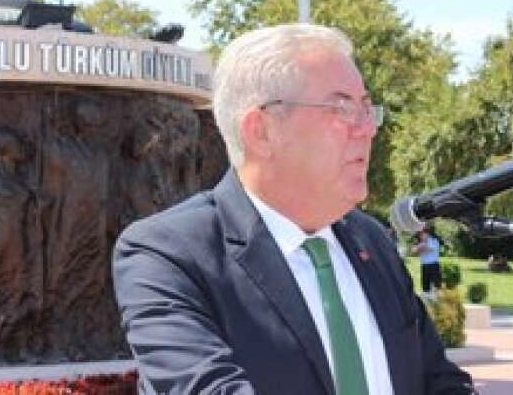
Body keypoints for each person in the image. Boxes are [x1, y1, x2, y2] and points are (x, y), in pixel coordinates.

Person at [112, 24, 476, 394]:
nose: (368, 129)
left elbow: (438, 381)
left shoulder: (372, 241)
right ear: (261, 131)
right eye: (342, 108)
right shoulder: (168, 255)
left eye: (367, 109)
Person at [411, 227, 443, 293]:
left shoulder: (434, 241)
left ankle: (437, 296)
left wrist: (420, 247)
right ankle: (427, 296)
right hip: (425, 266)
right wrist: (419, 247)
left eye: (422, 234)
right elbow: (413, 251)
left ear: (427, 233)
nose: (421, 236)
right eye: (420, 235)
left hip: (434, 265)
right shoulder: (420, 242)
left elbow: (428, 248)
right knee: (425, 286)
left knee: (437, 285)